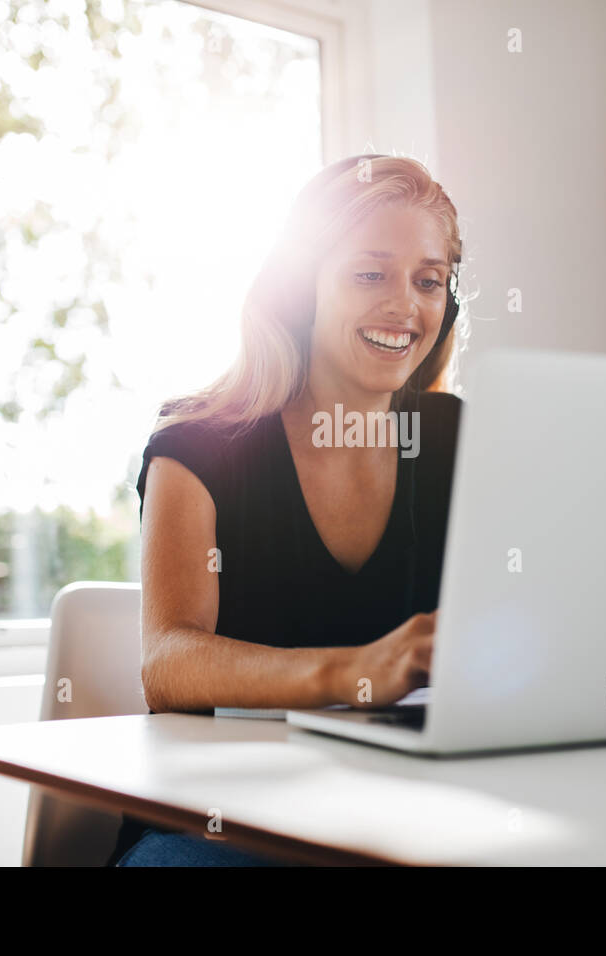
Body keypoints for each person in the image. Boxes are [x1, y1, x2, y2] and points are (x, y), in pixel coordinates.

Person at [112, 154, 466, 866]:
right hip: (222, 818)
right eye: (370, 273)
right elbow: (168, 662)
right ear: (302, 289)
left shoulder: (454, 438)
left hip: (404, 808)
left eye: (429, 281)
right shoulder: (198, 443)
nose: (405, 305)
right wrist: (355, 672)